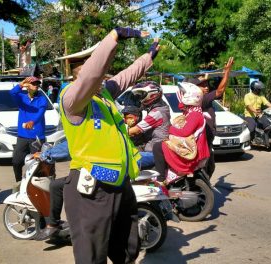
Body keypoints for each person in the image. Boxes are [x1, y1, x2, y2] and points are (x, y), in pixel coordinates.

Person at [60, 28, 160, 264]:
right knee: (92, 254)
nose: (104, 76)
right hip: (93, 187)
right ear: (81, 77)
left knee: (127, 246)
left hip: (119, 183)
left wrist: (149, 57)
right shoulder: (72, 101)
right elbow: (92, 73)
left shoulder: (103, 95)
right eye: (100, 72)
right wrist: (115, 36)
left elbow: (127, 75)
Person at [152, 82, 210, 184]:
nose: (181, 96)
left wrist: (169, 129)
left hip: (191, 152)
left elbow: (184, 132)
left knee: (157, 147)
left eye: (183, 94)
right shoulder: (192, 111)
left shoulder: (195, 114)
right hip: (190, 147)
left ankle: (160, 179)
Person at [185, 57, 234, 176]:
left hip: (206, 141)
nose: (206, 87)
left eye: (206, 85)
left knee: (209, 168)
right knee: (206, 168)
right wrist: (227, 72)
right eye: (202, 85)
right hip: (203, 142)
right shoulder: (201, 99)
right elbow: (220, 91)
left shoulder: (198, 99)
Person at [10, 76, 48, 182]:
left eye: (37, 84)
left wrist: (33, 122)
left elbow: (41, 113)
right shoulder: (21, 97)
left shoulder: (42, 99)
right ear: (28, 86)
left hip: (37, 137)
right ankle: (18, 181)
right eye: (33, 84)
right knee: (16, 161)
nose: (36, 86)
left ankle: (35, 184)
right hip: (23, 136)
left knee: (37, 164)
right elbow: (12, 93)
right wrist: (20, 85)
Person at [127, 81, 171, 168]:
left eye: (142, 94)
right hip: (153, 148)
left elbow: (135, 131)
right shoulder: (161, 107)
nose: (139, 97)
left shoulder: (157, 112)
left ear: (152, 95)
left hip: (154, 152)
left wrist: (116, 134)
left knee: (126, 160)